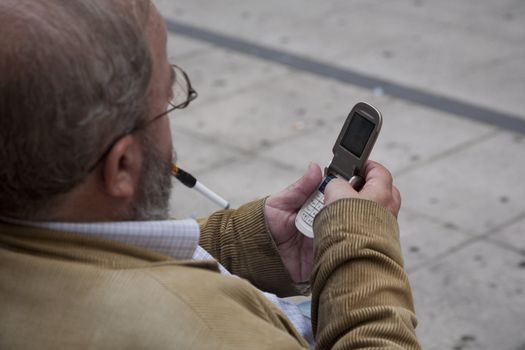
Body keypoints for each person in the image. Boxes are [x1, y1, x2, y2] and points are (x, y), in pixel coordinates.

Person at [0, 0, 421, 349]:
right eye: (167, 97)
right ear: (122, 166)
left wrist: (248, 243)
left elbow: (87, 257)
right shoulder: (211, 333)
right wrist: (363, 251)